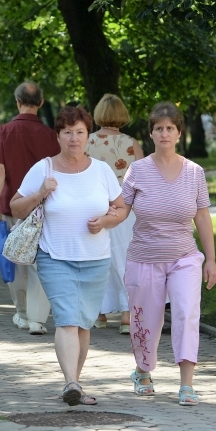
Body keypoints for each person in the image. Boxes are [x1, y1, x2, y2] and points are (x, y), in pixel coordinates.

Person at [10, 106, 126, 406]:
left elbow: (122, 207)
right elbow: (16, 207)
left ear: (88, 136)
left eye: (79, 132)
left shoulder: (101, 170)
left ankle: (75, 383)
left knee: (84, 324)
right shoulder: (43, 168)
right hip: (55, 256)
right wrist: (41, 193)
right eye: (67, 133)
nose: (73, 139)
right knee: (66, 320)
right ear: (58, 135)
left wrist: (107, 221)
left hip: (96, 258)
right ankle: (71, 382)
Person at [120, 102, 216, 406]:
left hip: (184, 257)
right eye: (159, 128)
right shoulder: (137, 171)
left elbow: (202, 217)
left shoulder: (194, 172)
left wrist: (211, 259)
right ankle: (143, 372)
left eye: (170, 128)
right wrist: (98, 222)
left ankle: (186, 384)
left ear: (179, 133)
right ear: (151, 133)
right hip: (145, 257)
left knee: (186, 312)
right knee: (146, 319)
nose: (164, 133)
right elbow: (121, 209)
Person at [0, 82, 60, 335]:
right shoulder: (52, 136)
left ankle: (23, 313)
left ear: (17, 101)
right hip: (46, 208)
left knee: (15, 259)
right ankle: (38, 318)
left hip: (12, 207)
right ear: (41, 102)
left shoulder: (4, 131)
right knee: (42, 262)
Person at [86, 94, 144, 334]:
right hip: (125, 209)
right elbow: (143, 179)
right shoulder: (132, 143)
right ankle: (127, 315)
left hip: (94, 209)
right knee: (125, 261)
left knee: (97, 262)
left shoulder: (86, 142)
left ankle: (97, 314)